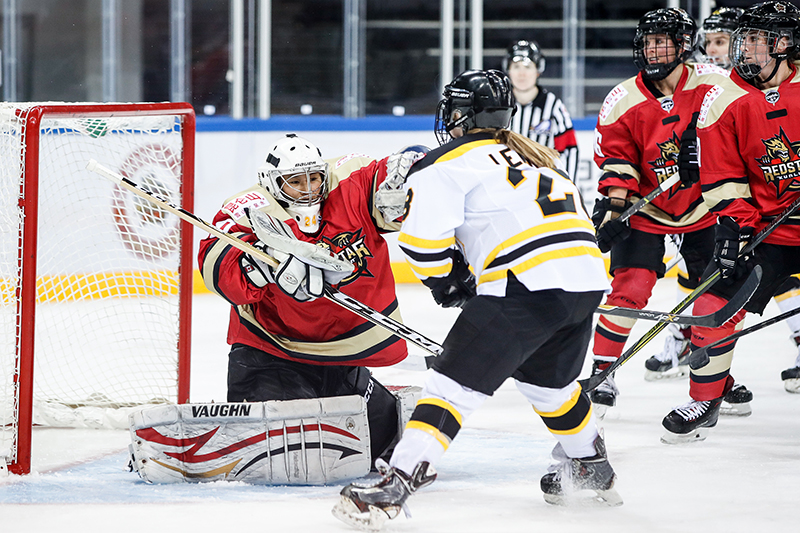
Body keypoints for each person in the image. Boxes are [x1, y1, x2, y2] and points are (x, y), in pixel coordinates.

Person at [332, 69, 620, 532]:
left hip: (525, 283)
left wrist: (448, 282)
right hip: (584, 281)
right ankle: (590, 465)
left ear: (460, 114)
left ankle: (395, 485)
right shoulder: (541, 160)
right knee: (552, 390)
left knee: (450, 386)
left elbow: (423, 245)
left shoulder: (445, 161)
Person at [197, 134, 427, 466]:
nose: (308, 188)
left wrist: (415, 170)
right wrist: (259, 265)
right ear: (273, 183)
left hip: (340, 358)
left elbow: (384, 177)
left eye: (314, 178)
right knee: (290, 454)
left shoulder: (348, 183)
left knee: (389, 442)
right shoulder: (250, 208)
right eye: (295, 181)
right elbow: (215, 264)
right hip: (272, 356)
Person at [588, 7, 737, 418]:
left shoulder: (714, 85)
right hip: (650, 206)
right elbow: (617, 161)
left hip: (706, 205)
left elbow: (746, 131)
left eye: (662, 42)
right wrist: (615, 209)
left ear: (683, 45)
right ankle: (603, 373)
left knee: (713, 296)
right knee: (630, 287)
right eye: (648, 42)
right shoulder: (622, 99)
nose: (653, 50)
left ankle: (713, 379)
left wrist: (706, 154)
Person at [663, 0, 800, 443]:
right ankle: (706, 398)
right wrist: (736, 226)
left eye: (758, 40)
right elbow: (723, 174)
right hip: (772, 229)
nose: (747, 49)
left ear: (785, 44)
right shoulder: (724, 97)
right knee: (712, 300)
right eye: (747, 39)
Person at [503, 39, 580, 180]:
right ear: (508, 70)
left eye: (527, 67)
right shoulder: (498, 105)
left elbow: (569, 151)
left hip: (543, 188)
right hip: (505, 187)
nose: (522, 73)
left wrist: (568, 186)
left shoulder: (553, 106)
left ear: (538, 70)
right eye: (516, 66)